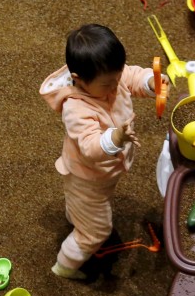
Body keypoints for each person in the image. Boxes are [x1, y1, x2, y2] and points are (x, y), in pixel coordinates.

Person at [39, 24, 163, 279]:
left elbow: (133, 76)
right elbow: (90, 146)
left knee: (82, 208)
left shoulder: (110, 76)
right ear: (79, 79)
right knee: (97, 231)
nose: (117, 84)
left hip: (104, 173)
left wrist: (152, 81)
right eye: (109, 83)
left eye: (118, 76)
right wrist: (116, 136)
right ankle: (65, 265)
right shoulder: (75, 108)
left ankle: (76, 216)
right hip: (88, 178)